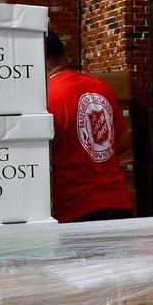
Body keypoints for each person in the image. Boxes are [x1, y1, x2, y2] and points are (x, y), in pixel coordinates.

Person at [45, 31, 134, 222]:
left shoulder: (46, 96)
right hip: (118, 203)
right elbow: (123, 142)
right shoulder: (101, 86)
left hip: (75, 209)